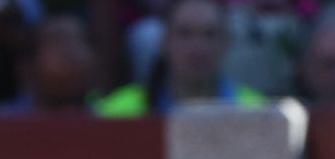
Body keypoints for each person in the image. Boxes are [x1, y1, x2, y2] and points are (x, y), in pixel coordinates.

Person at [96, 0, 266, 113]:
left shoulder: (256, 110)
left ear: (226, 44)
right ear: (164, 42)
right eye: (185, 33)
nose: (197, 47)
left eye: (210, 34)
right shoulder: (117, 112)